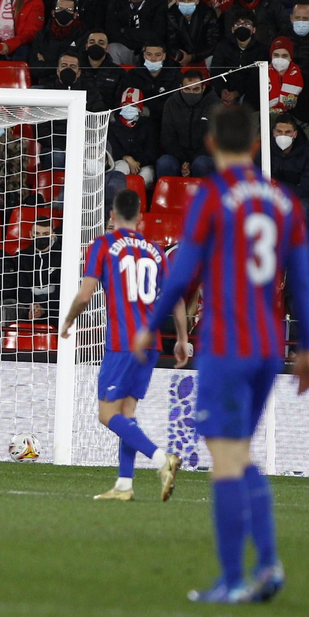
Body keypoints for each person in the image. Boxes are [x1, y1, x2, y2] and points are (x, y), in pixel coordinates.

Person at [135, 104, 309, 604]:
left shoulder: (213, 196)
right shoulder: (284, 199)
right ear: (257, 146)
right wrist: (308, 347)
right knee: (239, 454)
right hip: (268, 344)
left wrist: (150, 327)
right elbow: (302, 278)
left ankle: (233, 580)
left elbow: (182, 273)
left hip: (226, 342)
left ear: (211, 144)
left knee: (225, 458)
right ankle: (268, 564)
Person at [61, 188, 189, 501]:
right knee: (127, 413)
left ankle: (162, 460)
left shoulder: (103, 244)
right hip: (151, 343)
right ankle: (124, 485)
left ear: (112, 215)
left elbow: (85, 295)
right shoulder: (156, 250)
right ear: (141, 218)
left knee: (107, 415)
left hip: (122, 343)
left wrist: (68, 321)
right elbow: (176, 298)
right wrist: (183, 338)